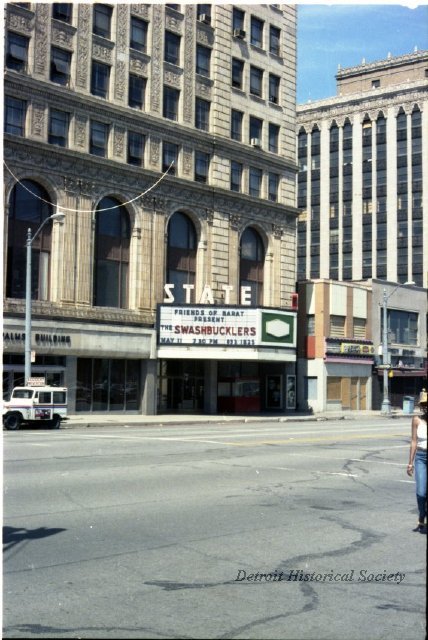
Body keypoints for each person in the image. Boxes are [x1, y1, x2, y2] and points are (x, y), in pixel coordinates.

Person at [407, 389, 427, 533]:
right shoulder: (416, 420)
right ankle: (421, 515)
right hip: (421, 458)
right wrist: (410, 462)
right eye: (424, 404)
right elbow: (414, 441)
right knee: (421, 492)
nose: (426, 406)